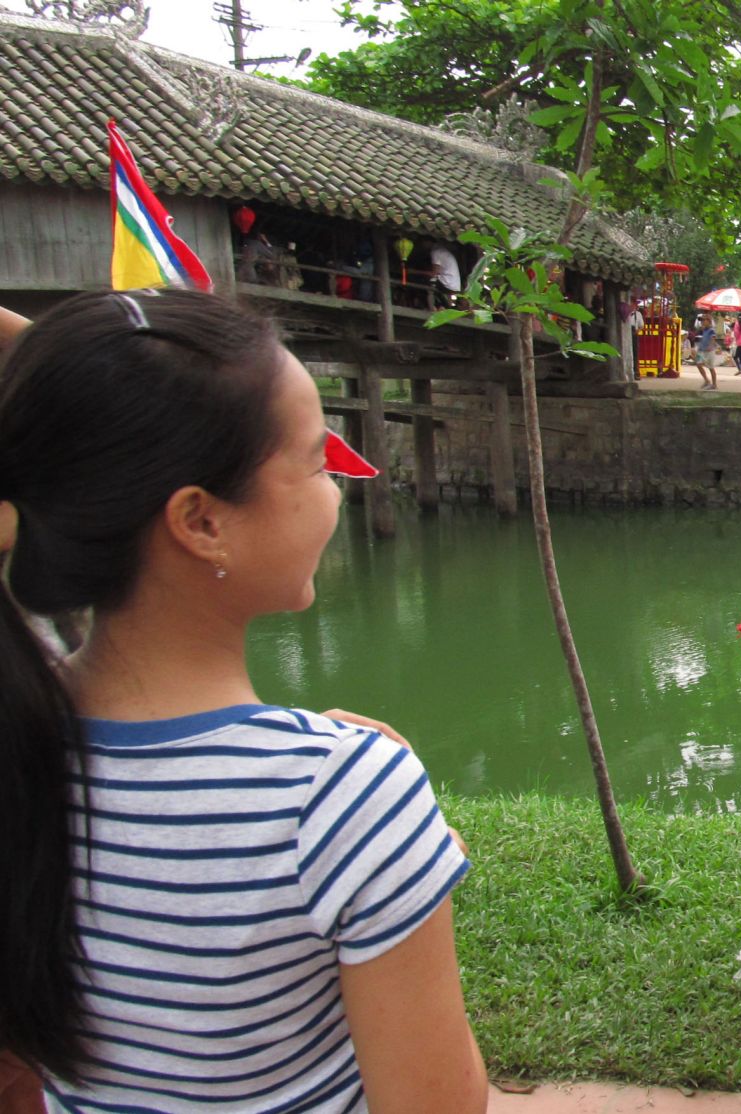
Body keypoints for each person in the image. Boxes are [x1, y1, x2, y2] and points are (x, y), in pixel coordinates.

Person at [0, 289, 487, 1111]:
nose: (338, 490)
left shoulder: (22, 740)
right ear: (201, 521)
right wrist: (390, 836)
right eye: (316, 462)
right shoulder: (341, 794)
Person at [692, 313, 720, 390]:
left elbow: (713, 338)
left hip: (709, 351)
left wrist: (711, 346)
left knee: (711, 367)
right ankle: (707, 380)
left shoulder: (711, 330)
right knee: (698, 364)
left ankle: (714, 384)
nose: (702, 322)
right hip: (702, 351)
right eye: (701, 320)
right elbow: (701, 339)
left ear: (709, 321)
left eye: (704, 320)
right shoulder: (703, 330)